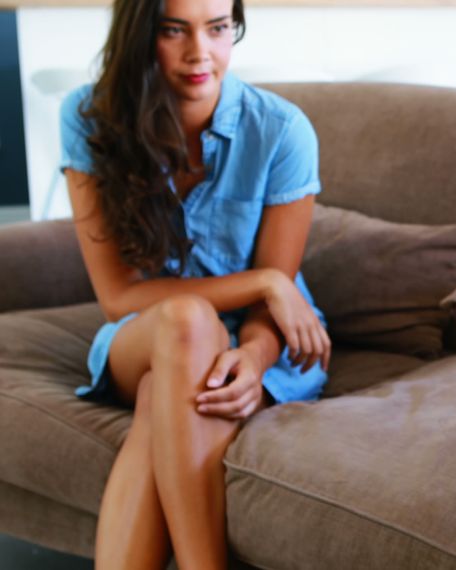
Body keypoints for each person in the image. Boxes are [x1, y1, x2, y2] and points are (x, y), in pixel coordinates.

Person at [60, 0, 330, 567]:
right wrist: (264, 282)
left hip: (264, 340)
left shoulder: (281, 131)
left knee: (167, 393)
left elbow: (273, 303)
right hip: (143, 333)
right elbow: (119, 299)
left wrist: (254, 359)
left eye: (218, 28)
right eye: (173, 30)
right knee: (186, 321)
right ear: (140, 37)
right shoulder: (90, 119)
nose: (200, 52)